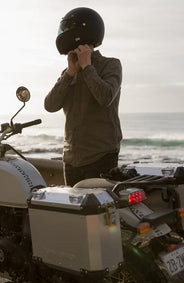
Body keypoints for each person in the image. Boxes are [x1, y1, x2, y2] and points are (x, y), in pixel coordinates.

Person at [44, 7, 123, 186]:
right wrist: (70, 73)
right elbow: (50, 105)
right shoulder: (69, 72)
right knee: (74, 213)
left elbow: (105, 96)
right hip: (71, 159)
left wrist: (87, 67)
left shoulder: (110, 65)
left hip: (100, 156)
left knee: (100, 212)